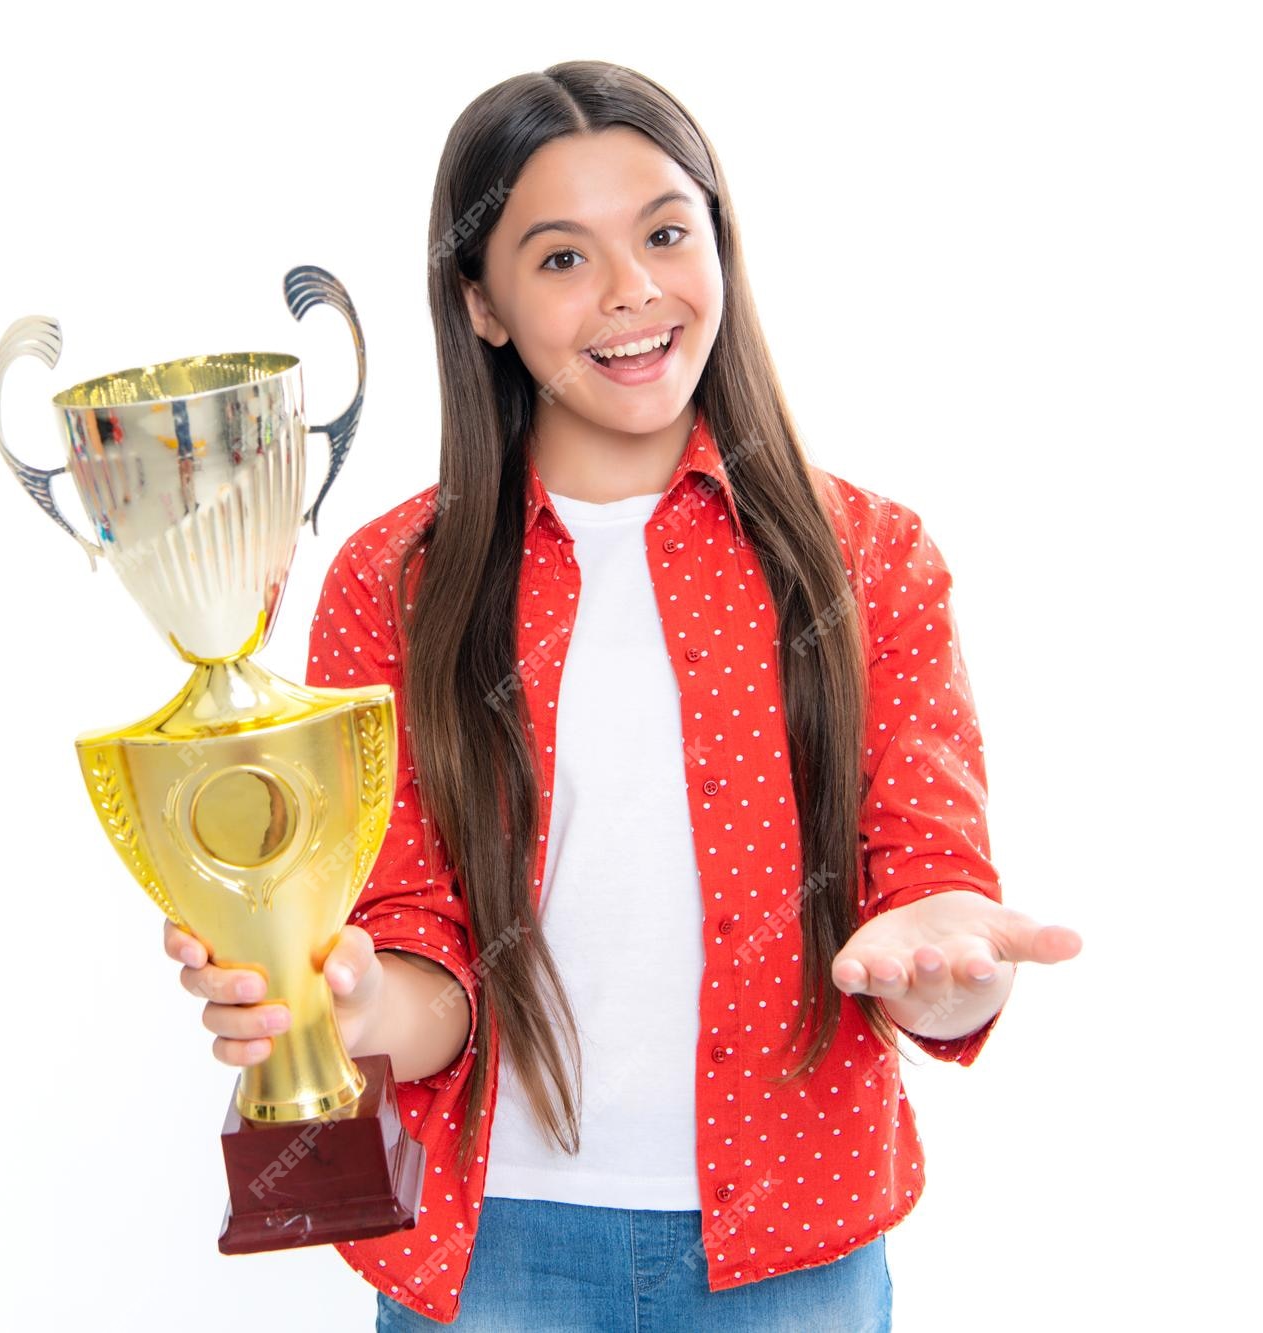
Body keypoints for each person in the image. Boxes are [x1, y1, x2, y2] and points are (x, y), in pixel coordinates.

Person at [164, 59, 1083, 1331]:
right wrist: (355, 1000)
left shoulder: (870, 557)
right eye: (559, 258)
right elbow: (420, 943)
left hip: (792, 1252)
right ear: (480, 303)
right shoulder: (394, 581)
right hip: (491, 1251)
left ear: (718, 242)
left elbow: (928, 877)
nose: (632, 290)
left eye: (662, 232)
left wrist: (950, 967)